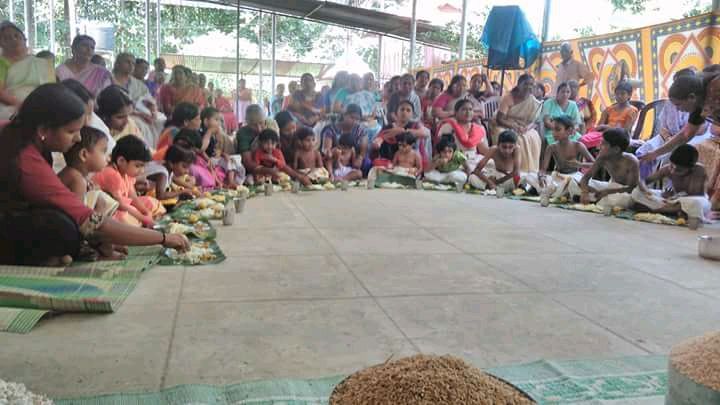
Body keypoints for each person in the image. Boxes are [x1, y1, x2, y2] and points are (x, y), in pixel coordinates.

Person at [0, 84, 188, 265]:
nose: (78, 138)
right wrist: (163, 238)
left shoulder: (21, 136)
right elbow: (89, 221)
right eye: (71, 131)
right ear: (43, 130)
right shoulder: (24, 158)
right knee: (61, 228)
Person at [92, 135, 166, 228]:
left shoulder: (127, 173)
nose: (142, 171)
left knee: (151, 202)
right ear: (121, 161)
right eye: (138, 166)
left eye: (143, 166)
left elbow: (133, 197)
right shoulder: (112, 174)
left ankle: (144, 221)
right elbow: (120, 205)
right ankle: (140, 224)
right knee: (124, 217)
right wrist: (144, 218)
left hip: (126, 205)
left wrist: (146, 212)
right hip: (109, 210)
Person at [635, 68, 695, 179]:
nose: (677, 108)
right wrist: (667, 138)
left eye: (679, 104)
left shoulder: (699, 108)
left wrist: (659, 151)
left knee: (671, 157)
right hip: (666, 137)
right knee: (645, 149)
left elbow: (685, 135)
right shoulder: (670, 102)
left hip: (690, 141)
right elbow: (663, 127)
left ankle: (669, 189)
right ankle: (643, 183)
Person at [634, 144, 710, 229]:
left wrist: (672, 199)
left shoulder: (699, 170)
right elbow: (643, 180)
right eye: (671, 166)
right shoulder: (667, 168)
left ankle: (662, 210)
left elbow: (695, 194)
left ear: (691, 168)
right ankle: (672, 211)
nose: (673, 171)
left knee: (694, 204)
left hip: (694, 200)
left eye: (678, 170)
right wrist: (647, 192)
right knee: (636, 192)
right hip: (672, 201)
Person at [525, 115, 595, 203]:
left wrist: (579, 165)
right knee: (529, 176)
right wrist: (541, 177)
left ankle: (562, 193)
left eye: (558, 130)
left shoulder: (578, 146)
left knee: (573, 183)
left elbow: (594, 164)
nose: (554, 133)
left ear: (569, 131)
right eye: (553, 130)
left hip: (574, 177)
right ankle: (566, 194)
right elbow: (543, 170)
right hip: (558, 177)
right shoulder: (552, 147)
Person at [0, 21, 55, 120]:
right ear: (1, 44)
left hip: (42, 103)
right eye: (6, 38)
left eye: (17, 36)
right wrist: (22, 105)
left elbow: (52, 89)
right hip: (12, 106)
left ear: (24, 39)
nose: (13, 39)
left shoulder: (42, 63)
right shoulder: (1, 63)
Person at [579, 128, 645, 210]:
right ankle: (598, 199)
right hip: (611, 187)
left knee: (624, 199)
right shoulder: (602, 157)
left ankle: (598, 200)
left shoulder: (632, 161)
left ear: (616, 149)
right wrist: (584, 192)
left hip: (625, 192)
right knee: (577, 183)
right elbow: (585, 178)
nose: (598, 146)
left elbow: (631, 188)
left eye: (603, 144)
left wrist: (607, 192)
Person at [494, 74, 544, 173]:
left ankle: (530, 170)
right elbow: (499, 119)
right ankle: (514, 168)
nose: (529, 87)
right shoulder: (509, 97)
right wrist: (514, 126)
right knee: (516, 139)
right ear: (518, 85)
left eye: (531, 85)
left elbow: (534, 122)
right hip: (505, 124)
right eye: (526, 84)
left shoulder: (533, 101)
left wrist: (527, 128)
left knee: (533, 136)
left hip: (524, 126)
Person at [580, 81, 639, 150]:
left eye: (622, 94)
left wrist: (608, 127)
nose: (619, 96)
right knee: (582, 138)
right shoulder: (610, 109)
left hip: (619, 137)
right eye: (617, 94)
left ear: (629, 95)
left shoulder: (632, 111)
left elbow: (625, 130)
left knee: (583, 141)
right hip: (605, 133)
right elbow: (600, 125)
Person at [435, 99, 490, 172]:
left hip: (474, 159)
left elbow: (483, 149)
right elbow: (443, 149)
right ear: (456, 112)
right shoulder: (448, 127)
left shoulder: (479, 129)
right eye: (464, 109)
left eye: (470, 109)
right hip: (455, 160)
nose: (468, 112)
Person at [200, 106, 244, 188]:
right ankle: (226, 182)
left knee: (233, 159)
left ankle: (232, 181)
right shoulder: (202, 134)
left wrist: (224, 154)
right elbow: (201, 149)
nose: (219, 123)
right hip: (207, 160)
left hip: (217, 159)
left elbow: (217, 149)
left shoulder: (216, 135)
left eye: (220, 120)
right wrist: (209, 132)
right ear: (206, 121)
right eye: (216, 120)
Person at [320, 103, 369, 172]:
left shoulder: (360, 130)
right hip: (335, 159)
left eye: (357, 119)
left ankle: (343, 176)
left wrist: (360, 158)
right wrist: (334, 154)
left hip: (352, 159)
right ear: (344, 115)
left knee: (366, 163)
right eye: (352, 117)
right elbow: (326, 149)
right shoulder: (331, 129)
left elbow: (364, 146)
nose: (354, 121)